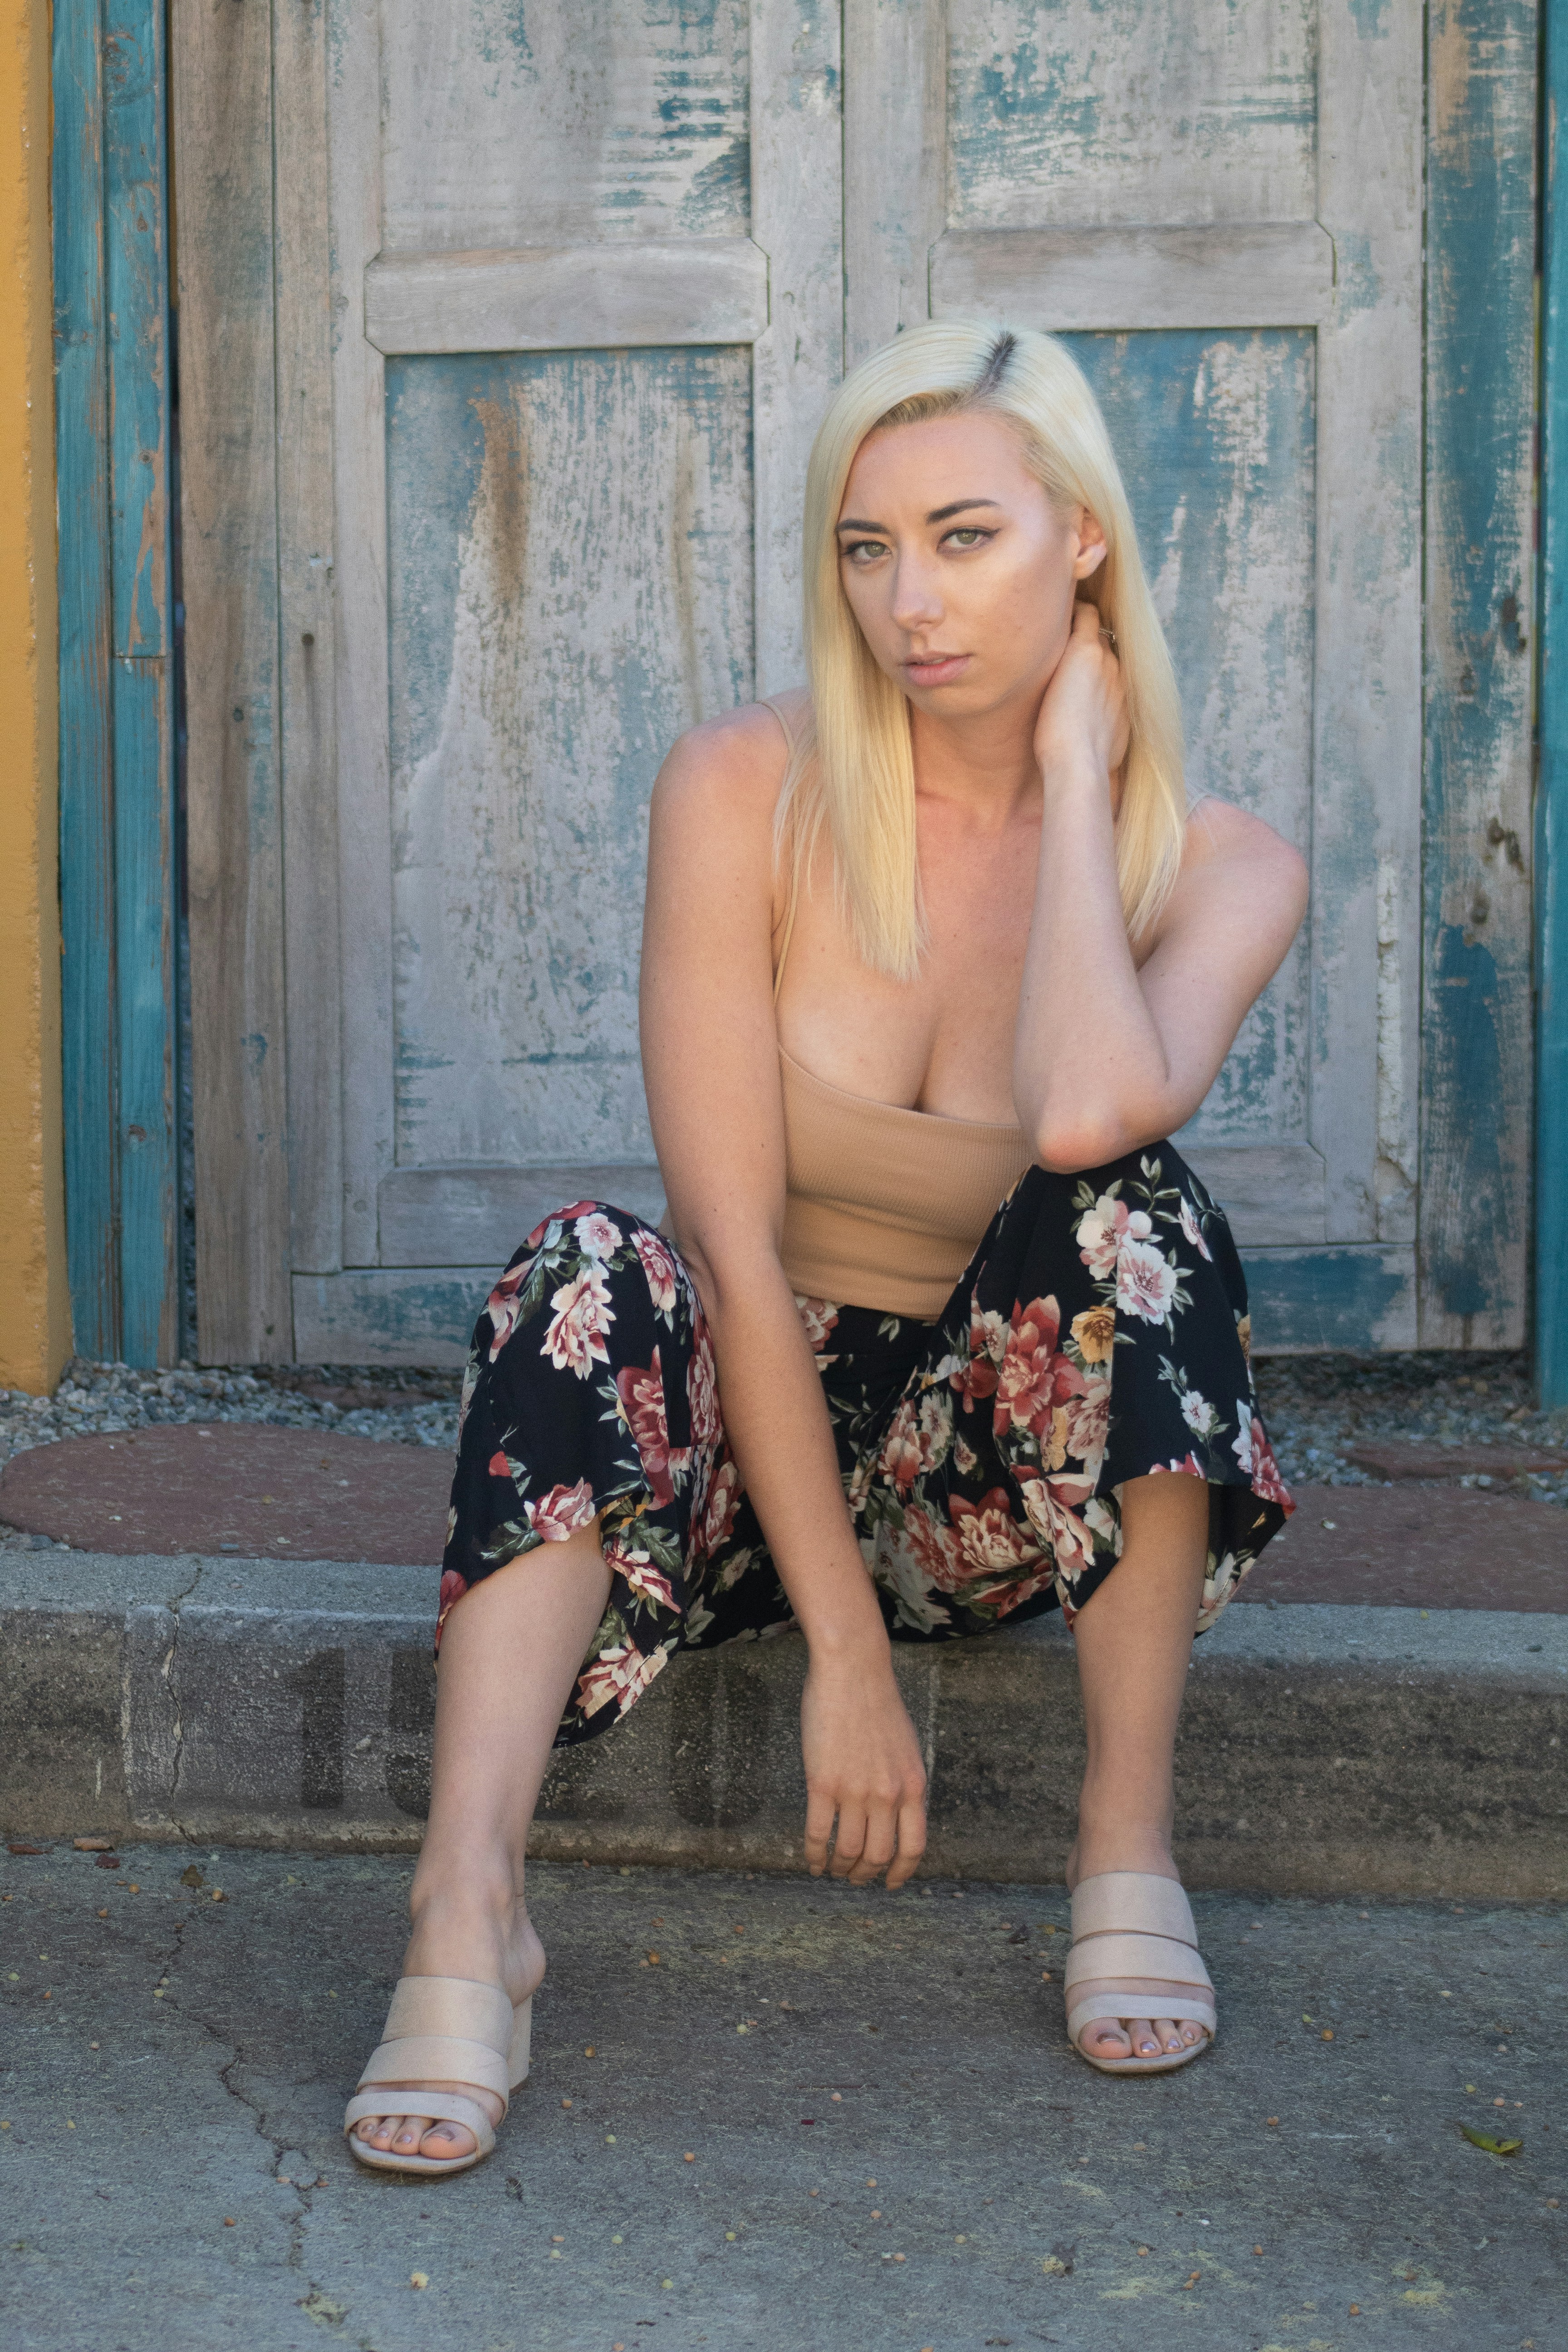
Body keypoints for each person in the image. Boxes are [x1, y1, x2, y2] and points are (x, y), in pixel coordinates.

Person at [345, 322, 1304, 2175]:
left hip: (993, 1493)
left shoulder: (1225, 860)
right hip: (736, 1452)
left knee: (1138, 1218)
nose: (907, 602)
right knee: (582, 1268)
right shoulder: (742, 788)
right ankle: (465, 1918)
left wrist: (1090, 769)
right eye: (866, 548)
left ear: (1084, 540)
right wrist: (844, 1661)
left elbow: (1098, 1112)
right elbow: (718, 1233)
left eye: (964, 537)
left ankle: (1127, 1846)